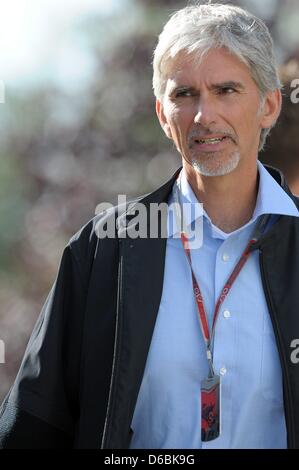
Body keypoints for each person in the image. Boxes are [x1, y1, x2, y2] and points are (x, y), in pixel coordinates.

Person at [0, 2, 299, 449]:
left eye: (226, 90)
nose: (204, 116)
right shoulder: (105, 249)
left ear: (270, 105)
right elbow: (36, 423)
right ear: (162, 114)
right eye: (184, 95)